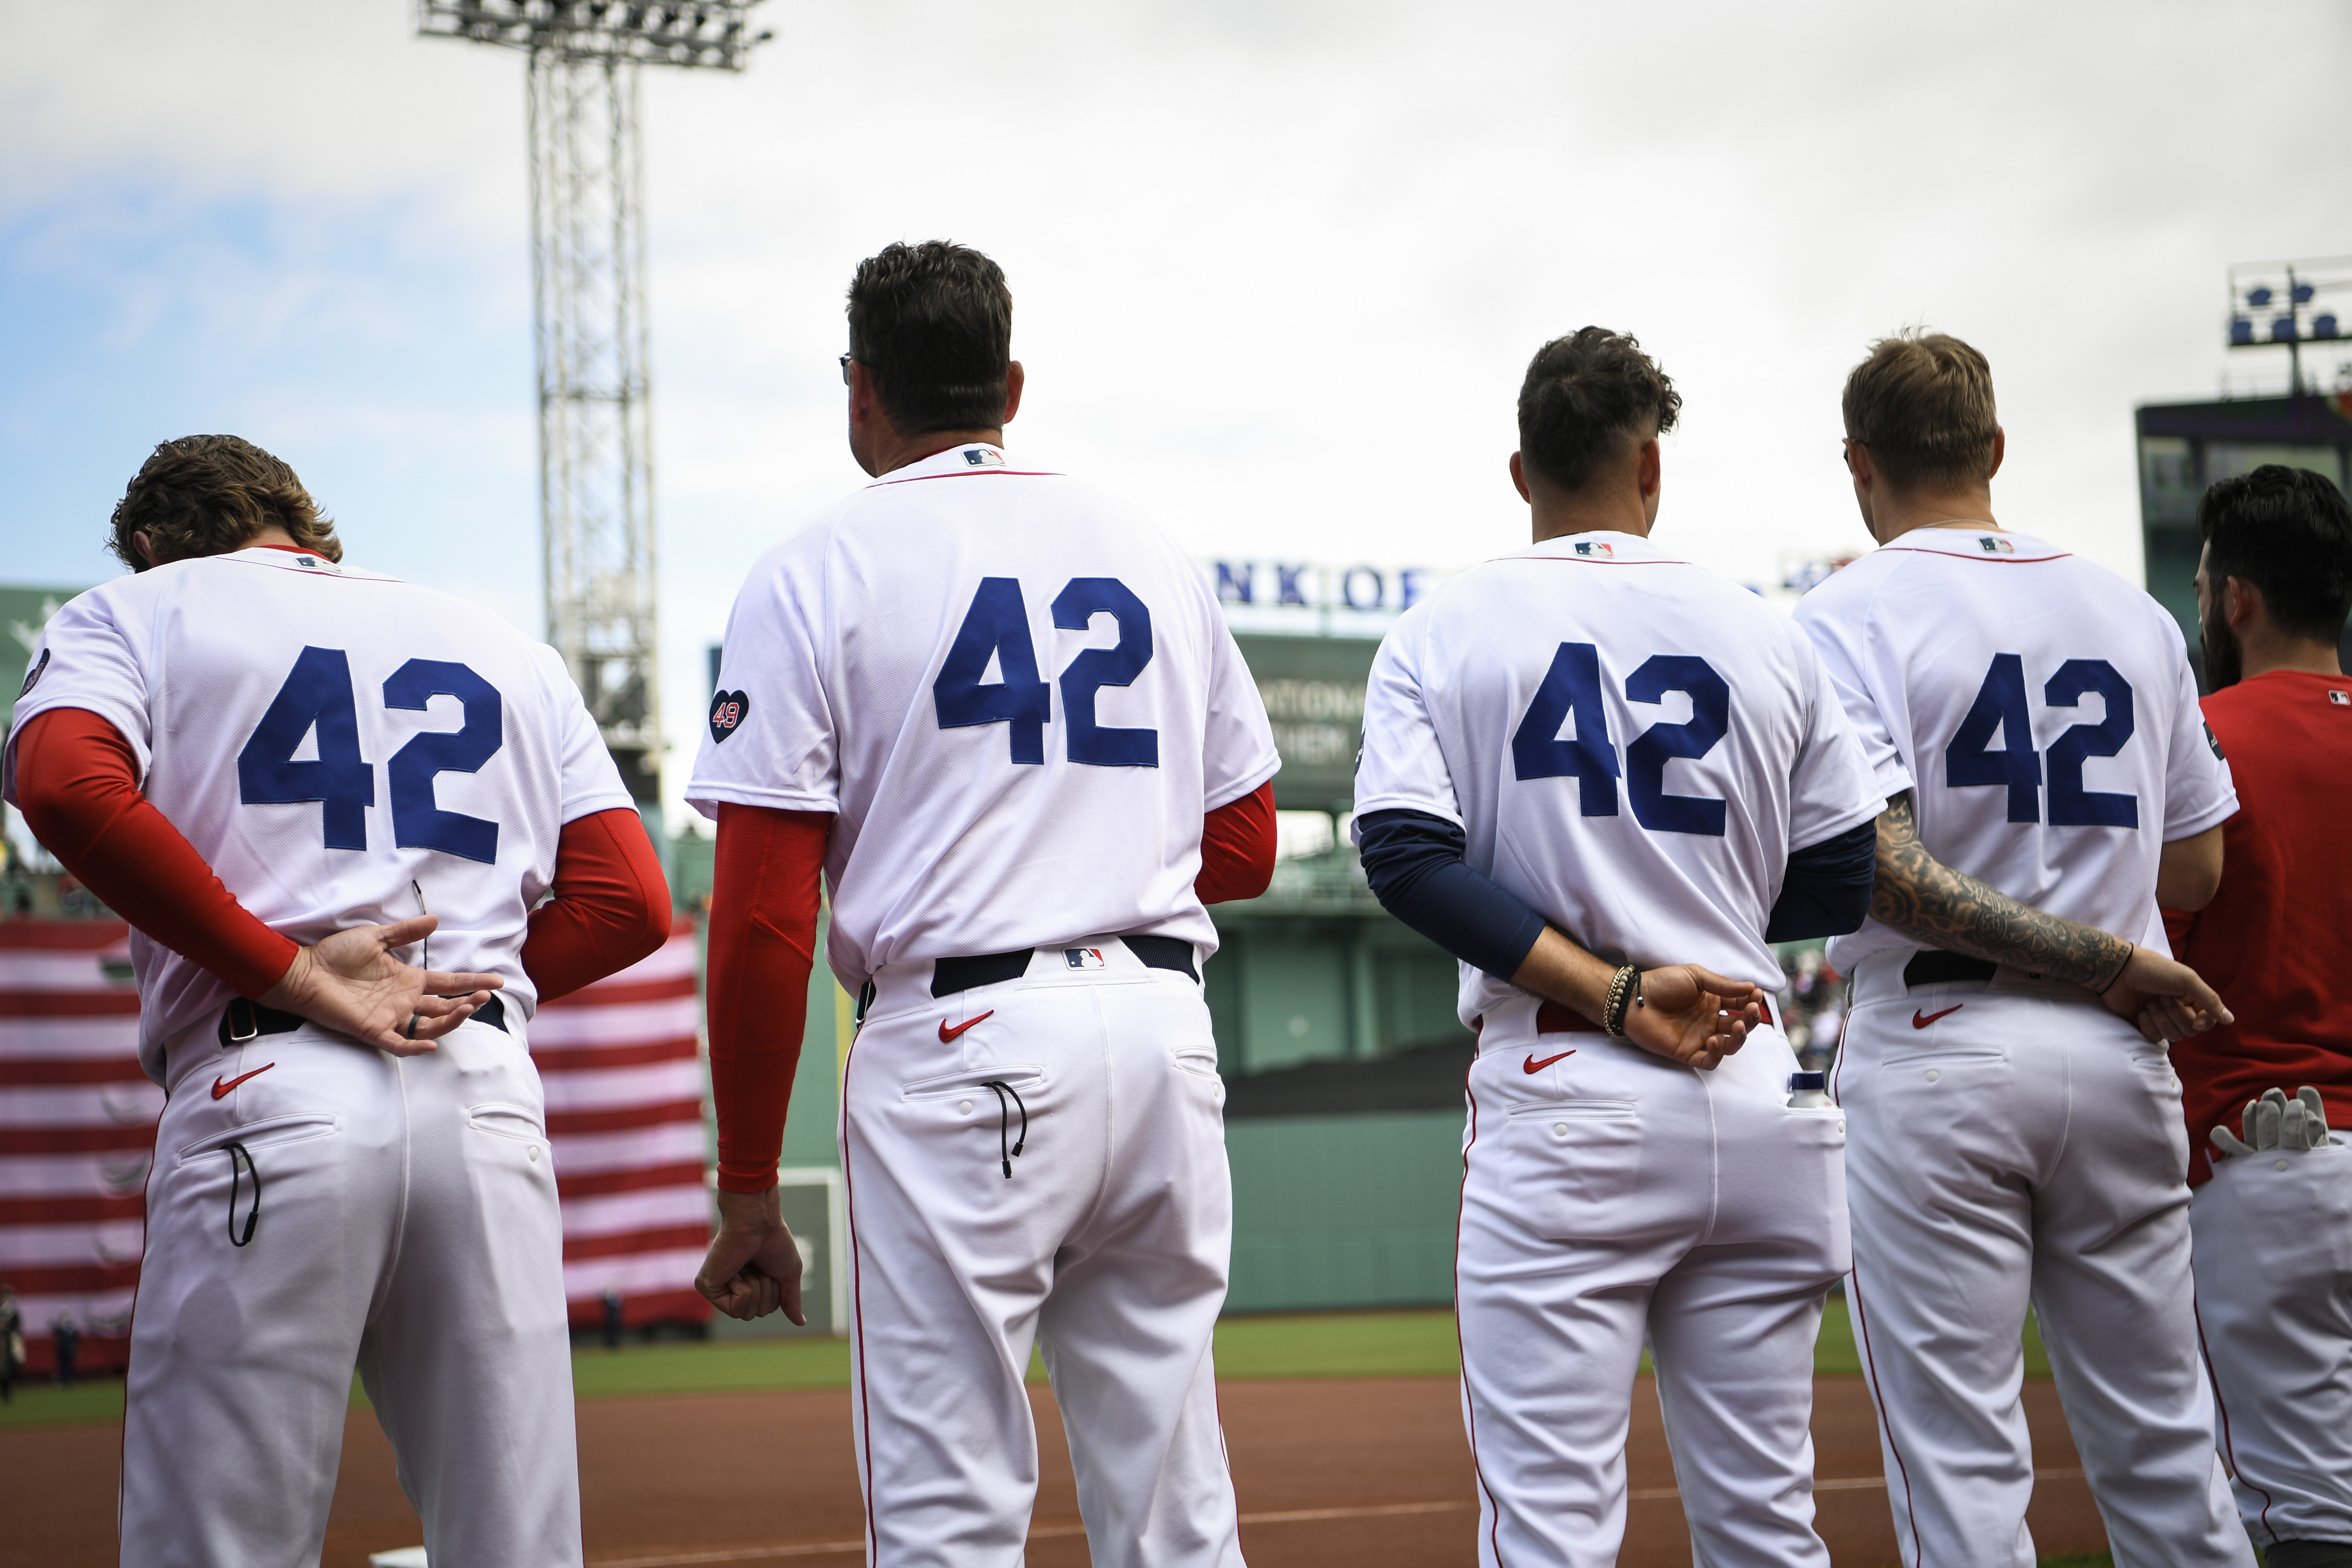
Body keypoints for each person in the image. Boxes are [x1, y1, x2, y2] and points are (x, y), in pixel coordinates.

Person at [687, 240, 1279, 1567]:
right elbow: (1242, 845)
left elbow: (767, 918)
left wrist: (745, 1190)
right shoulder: (1151, 547)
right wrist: (1089, 844)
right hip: (1161, 1028)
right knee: (1176, 1506)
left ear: (859, 394)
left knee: (951, 1511)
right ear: (1012, 382)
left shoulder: (815, 565)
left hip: (964, 1047)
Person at [3, 435, 672, 1568]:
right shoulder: (503, 643)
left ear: (156, 545)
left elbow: (64, 784)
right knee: (516, 1545)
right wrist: (443, 997)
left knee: (222, 1546)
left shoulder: (140, 608)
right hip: (482, 1093)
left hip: (268, 1078)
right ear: (304, 523)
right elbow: (632, 900)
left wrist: (303, 975)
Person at [1352, 327, 1884, 1567]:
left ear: (1522, 473)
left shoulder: (1446, 628)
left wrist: (1619, 982)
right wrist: (1699, 905)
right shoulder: (1770, 632)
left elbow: (1406, 858)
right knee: (1768, 1525)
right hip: (1755, 1079)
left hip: (1569, 1091)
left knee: (1552, 1532)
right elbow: (1848, 870)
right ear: (1652, 471)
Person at [1791, 332, 2250, 1567]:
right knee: (2170, 1450)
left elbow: (1880, 866)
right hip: (2119, 1058)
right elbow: (2199, 866)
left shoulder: (1845, 612)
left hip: (1942, 1050)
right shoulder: (2132, 611)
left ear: (1860, 467)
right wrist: (2097, 918)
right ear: (1996, 451)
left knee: (1963, 1470)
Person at [2164, 464, 2352, 1568]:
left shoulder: (2203, 741)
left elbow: (2150, 970)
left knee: (2302, 1518)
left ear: (2237, 599)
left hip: (2272, 1142)